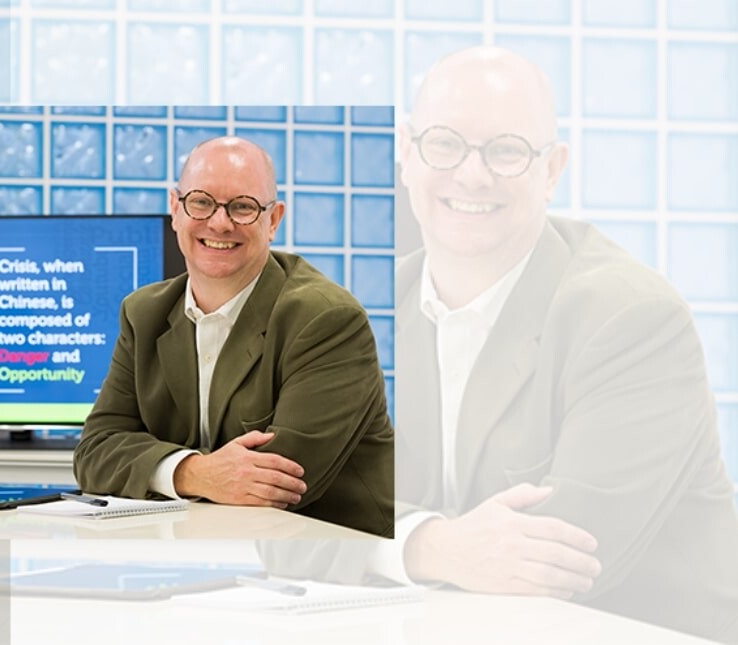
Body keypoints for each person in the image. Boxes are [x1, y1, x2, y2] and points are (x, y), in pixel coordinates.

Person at [259, 46, 738, 642]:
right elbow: (280, 514)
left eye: (507, 150)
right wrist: (430, 544)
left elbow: (562, 559)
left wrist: (382, 533)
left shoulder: (634, 322)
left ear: (553, 170)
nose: (472, 174)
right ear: (407, 154)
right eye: (445, 143)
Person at [73, 136, 395, 537]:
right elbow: (95, 452)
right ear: (175, 209)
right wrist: (195, 472)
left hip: (334, 562)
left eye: (243, 207)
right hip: (210, 560)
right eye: (201, 202)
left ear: (273, 220)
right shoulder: (144, 313)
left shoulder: (328, 320)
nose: (220, 222)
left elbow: (277, 482)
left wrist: (158, 469)